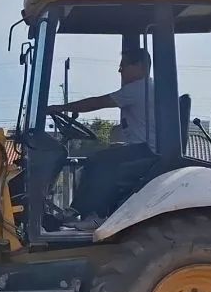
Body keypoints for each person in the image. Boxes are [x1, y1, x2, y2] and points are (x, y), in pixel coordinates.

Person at [46, 48, 156, 229]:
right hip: (144, 148)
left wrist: (60, 108)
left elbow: (98, 102)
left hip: (147, 151)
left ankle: (94, 214)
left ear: (140, 66)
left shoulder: (139, 88)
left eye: (124, 65)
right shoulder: (146, 88)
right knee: (104, 156)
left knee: (98, 161)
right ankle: (81, 212)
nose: (120, 70)